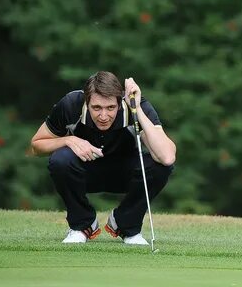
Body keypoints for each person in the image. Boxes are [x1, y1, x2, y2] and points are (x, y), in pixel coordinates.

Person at [31, 71, 176, 244]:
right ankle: (82, 225)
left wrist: (136, 108)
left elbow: (167, 157)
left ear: (119, 102)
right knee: (60, 160)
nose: (104, 116)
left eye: (110, 108)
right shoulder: (71, 104)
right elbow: (36, 146)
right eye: (96, 108)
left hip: (124, 173)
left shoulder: (133, 106)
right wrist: (69, 140)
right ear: (86, 101)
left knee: (160, 165)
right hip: (84, 172)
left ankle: (125, 224)